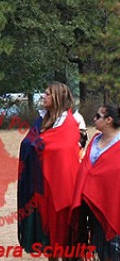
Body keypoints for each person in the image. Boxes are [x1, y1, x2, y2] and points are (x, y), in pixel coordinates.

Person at [17, 82, 81, 256]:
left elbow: (64, 150)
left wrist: (42, 146)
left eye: (47, 94)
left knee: (64, 239)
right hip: (40, 186)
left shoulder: (69, 123)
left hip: (61, 187)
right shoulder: (40, 120)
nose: (43, 96)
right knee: (47, 240)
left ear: (57, 97)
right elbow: (27, 143)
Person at [70, 104, 120, 260]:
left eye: (98, 116)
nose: (94, 119)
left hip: (113, 204)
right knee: (98, 245)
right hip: (93, 204)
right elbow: (87, 169)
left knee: (113, 249)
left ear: (109, 120)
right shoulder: (95, 139)